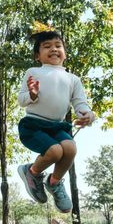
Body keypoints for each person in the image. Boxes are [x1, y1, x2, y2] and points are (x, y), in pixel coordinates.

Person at [17, 30, 95, 213]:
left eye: (58, 46)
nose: (53, 49)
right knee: (55, 151)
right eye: (47, 46)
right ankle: (32, 172)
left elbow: (80, 103)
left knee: (70, 148)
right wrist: (32, 94)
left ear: (65, 52)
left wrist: (88, 115)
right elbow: (22, 100)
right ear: (38, 55)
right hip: (34, 125)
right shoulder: (34, 72)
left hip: (57, 126)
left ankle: (54, 182)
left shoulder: (73, 79)